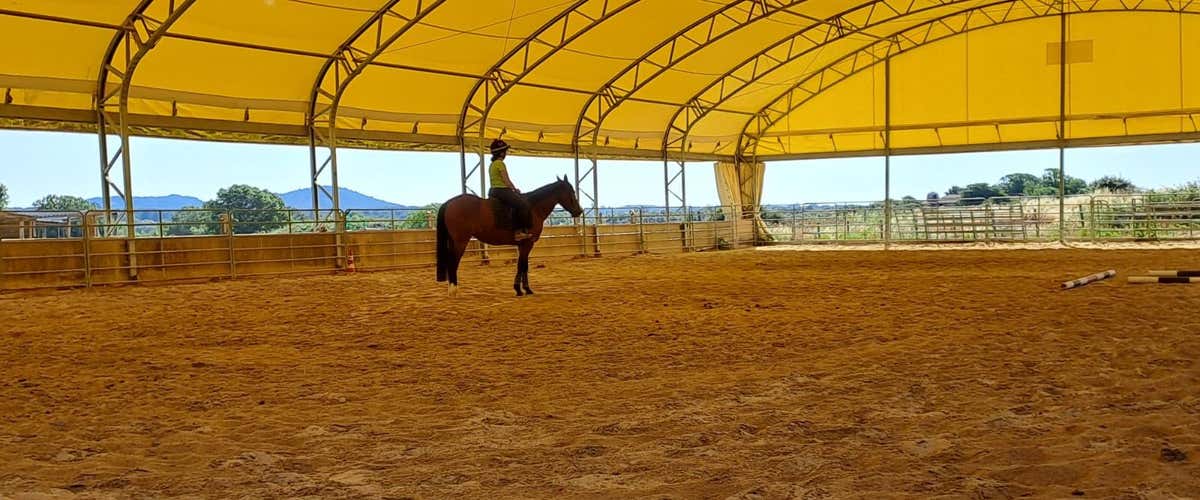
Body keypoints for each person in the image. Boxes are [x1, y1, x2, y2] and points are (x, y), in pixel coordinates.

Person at [487, 139, 533, 241]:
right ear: (501, 153)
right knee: (523, 205)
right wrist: (515, 189)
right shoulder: (500, 163)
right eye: (505, 152)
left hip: (493, 191)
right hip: (502, 190)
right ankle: (519, 232)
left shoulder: (492, 165)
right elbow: (506, 181)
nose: (506, 154)